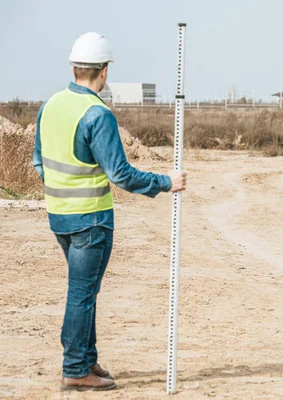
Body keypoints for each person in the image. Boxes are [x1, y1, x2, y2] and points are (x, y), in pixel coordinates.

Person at [33, 32, 187, 391]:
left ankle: (86, 359)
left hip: (59, 217)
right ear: (103, 72)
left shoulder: (49, 105)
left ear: (74, 67)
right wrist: (166, 182)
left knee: (84, 291)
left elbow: (39, 163)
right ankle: (75, 369)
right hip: (91, 220)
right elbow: (120, 174)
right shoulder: (97, 114)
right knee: (82, 293)